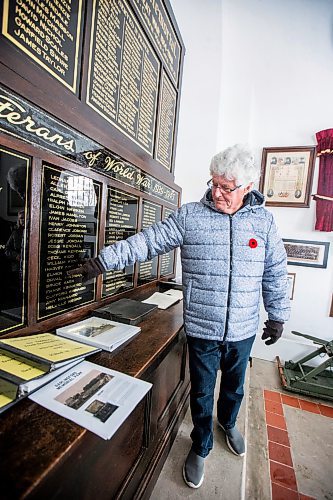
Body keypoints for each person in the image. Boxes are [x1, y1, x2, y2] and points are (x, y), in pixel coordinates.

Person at [69, 144, 290, 489]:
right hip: (202, 326)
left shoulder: (263, 222)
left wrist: (278, 315)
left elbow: (275, 270)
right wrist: (104, 260)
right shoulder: (190, 216)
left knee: (233, 388)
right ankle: (201, 443)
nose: (216, 192)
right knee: (201, 391)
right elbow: (148, 242)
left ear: (247, 187)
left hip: (243, 328)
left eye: (226, 187)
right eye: (214, 183)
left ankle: (228, 423)